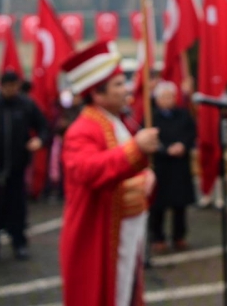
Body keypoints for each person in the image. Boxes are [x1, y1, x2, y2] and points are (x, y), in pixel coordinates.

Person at [60, 41, 160, 306]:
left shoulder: (116, 121)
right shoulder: (82, 130)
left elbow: (127, 168)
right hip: (100, 231)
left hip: (126, 228)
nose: (126, 88)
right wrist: (136, 150)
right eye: (118, 84)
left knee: (126, 290)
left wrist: (146, 177)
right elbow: (90, 170)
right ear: (97, 93)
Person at [0, 70, 48, 264]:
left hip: (17, 168)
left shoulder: (26, 105)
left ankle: (19, 243)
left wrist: (39, 140)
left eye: (15, 86)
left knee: (17, 209)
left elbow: (44, 127)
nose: (12, 90)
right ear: (2, 86)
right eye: (8, 87)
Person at [149, 81, 196, 253]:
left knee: (180, 203)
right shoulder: (151, 117)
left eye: (170, 97)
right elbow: (148, 138)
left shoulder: (183, 114)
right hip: (161, 166)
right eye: (164, 97)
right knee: (158, 205)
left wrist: (183, 145)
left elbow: (191, 132)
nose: (168, 100)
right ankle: (158, 237)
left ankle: (179, 236)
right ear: (157, 99)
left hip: (180, 165)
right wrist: (165, 149)